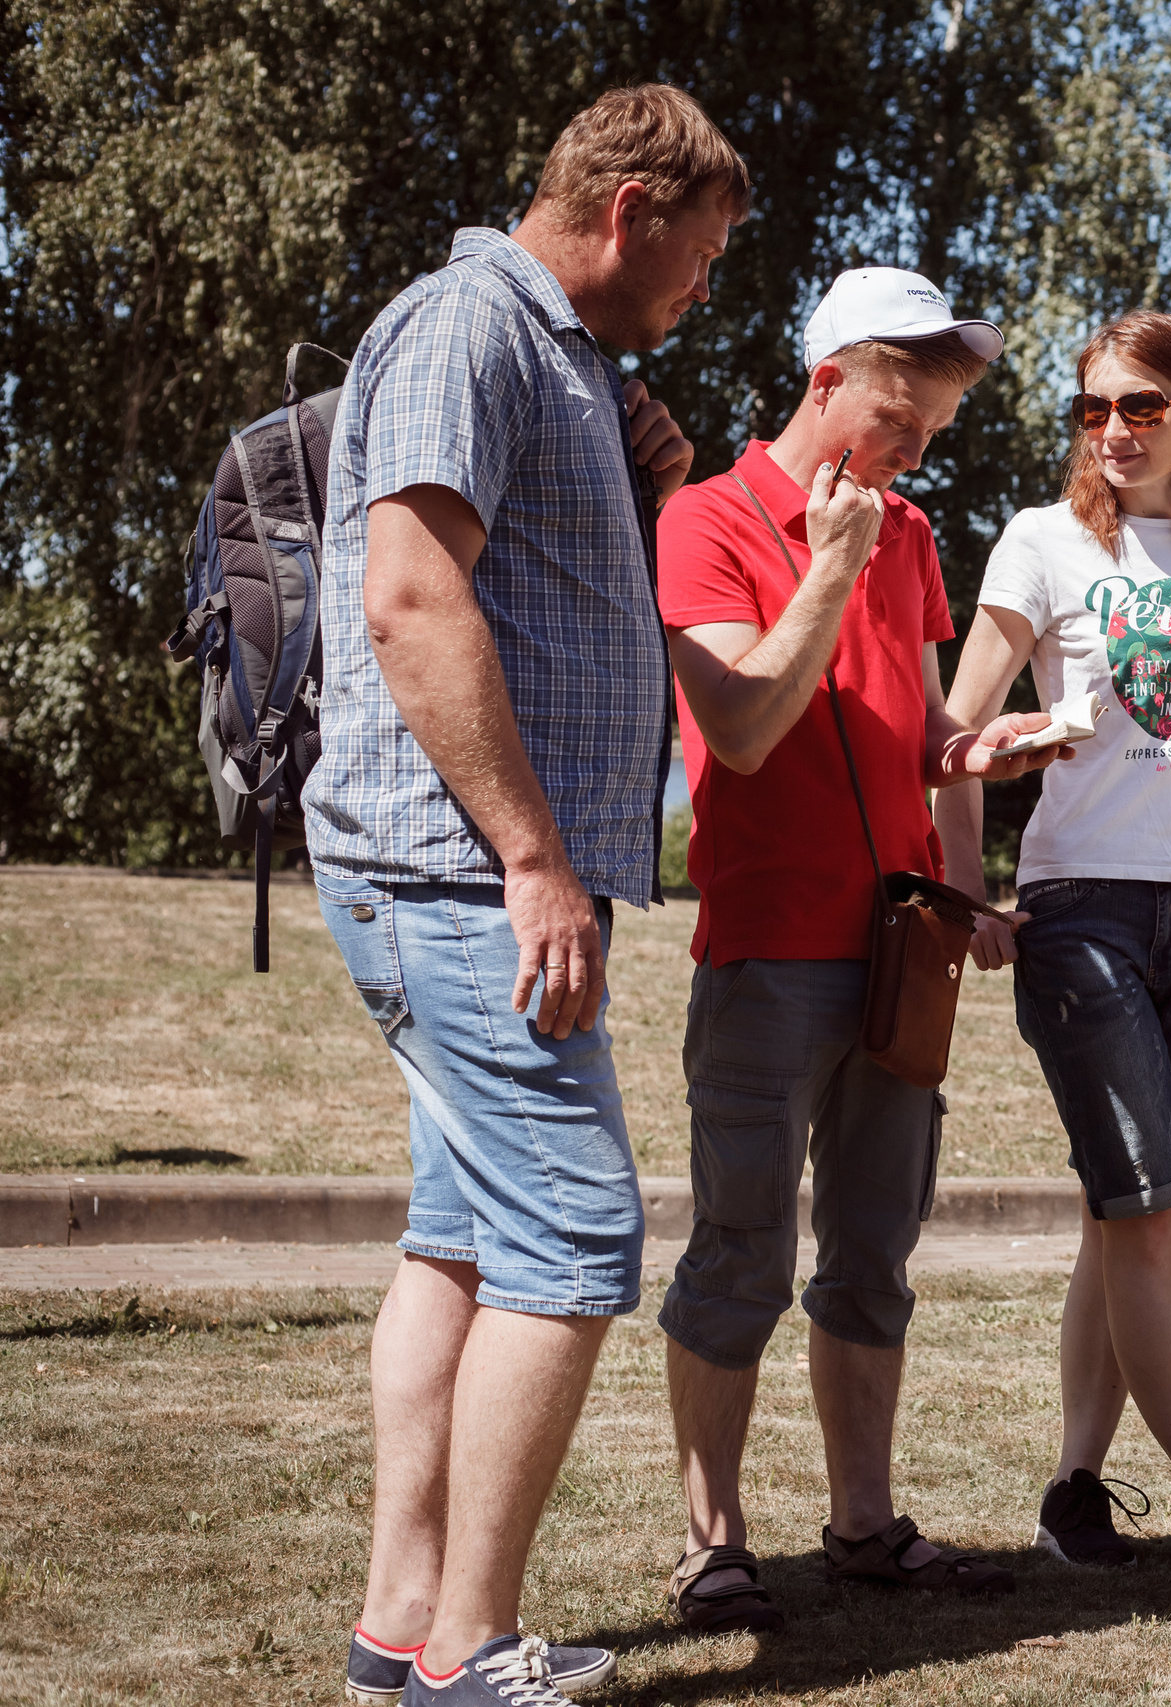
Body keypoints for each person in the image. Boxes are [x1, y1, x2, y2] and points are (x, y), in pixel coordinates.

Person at [304, 86, 748, 1707]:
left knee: (469, 1240)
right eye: (696, 261)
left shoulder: (553, 357)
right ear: (627, 211)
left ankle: (397, 1631)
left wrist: (629, 443)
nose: (700, 293)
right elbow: (412, 598)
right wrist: (537, 857)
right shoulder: (465, 326)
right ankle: (468, 1654)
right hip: (458, 872)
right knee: (573, 1232)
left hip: (461, 869)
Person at [651, 269, 1062, 1629]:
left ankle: (866, 1523)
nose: (915, 450)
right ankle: (715, 1540)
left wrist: (977, 796)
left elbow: (924, 733)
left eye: (936, 428)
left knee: (874, 1251)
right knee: (740, 1252)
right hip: (769, 950)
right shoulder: (705, 521)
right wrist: (830, 559)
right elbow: (751, 725)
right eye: (902, 413)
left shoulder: (913, 532)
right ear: (827, 380)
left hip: (900, 954)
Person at [937, 311, 1171, 1586]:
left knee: (1120, 1210)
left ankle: (1074, 1491)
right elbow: (952, 733)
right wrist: (962, 887)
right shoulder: (1042, 543)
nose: (1115, 430)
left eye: (1142, 405)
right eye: (1094, 408)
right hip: (1079, 911)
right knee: (1149, 1214)